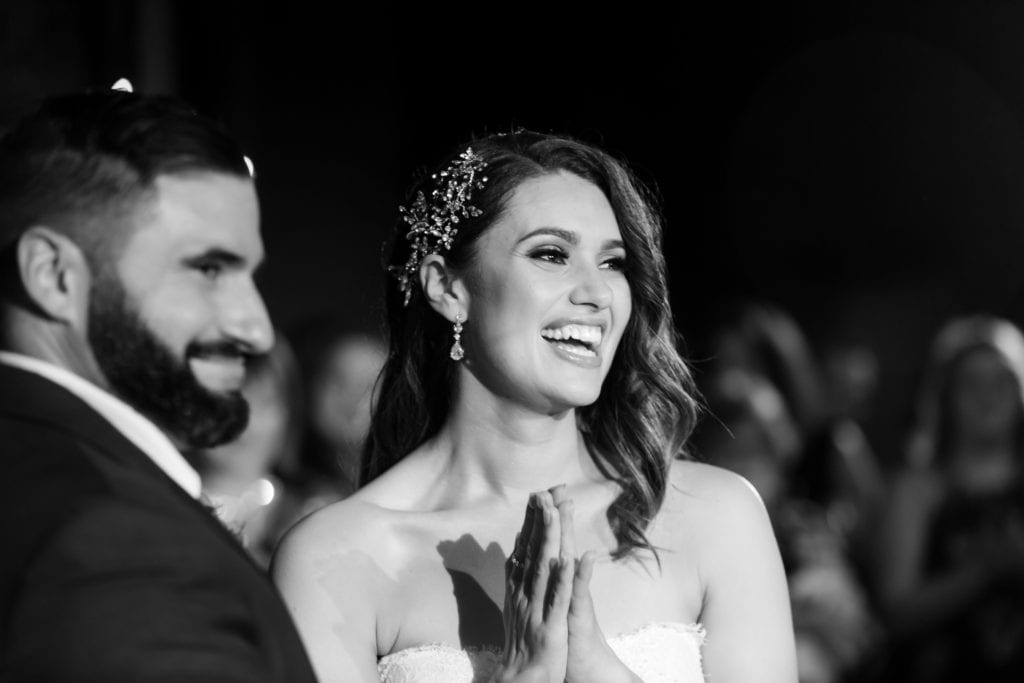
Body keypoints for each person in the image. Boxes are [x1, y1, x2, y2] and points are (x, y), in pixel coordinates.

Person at [273, 131, 797, 682]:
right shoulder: (335, 556)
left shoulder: (716, 517)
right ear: (448, 288)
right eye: (552, 255)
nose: (596, 293)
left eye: (613, 263)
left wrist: (596, 669)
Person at [0, 85, 316, 681]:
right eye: (208, 269)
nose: (257, 329)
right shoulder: (121, 550)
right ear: (53, 275)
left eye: (250, 274)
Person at [874, 314, 1024, 682]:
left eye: (1001, 379)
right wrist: (982, 571)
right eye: (971, 382)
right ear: (945, 396)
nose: (987, 396)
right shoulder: (915, 490)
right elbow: (896, 611)